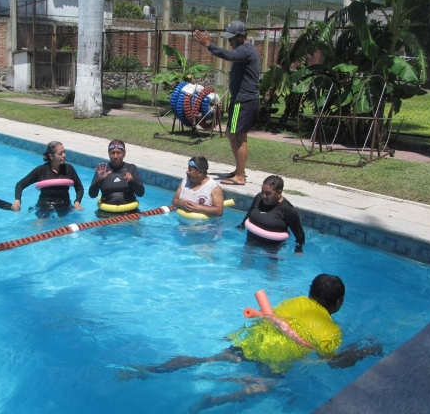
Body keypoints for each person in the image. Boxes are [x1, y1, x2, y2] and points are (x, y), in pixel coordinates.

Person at [119, 274, 382, 413]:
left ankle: (151, 369)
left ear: (310, 292)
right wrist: (364, 351)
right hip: (275, 359)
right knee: (264, 387)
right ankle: (213, 400)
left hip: (252, 342)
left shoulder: (294, 302)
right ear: (338, 303)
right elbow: (335, 363)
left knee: (207, 359)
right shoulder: (332, 330)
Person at [194, 20, 260, 187]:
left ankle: (239, 176)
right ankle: (240, 170)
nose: (230, 42)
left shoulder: (245, 49)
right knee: (231, 133)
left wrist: (209, 44)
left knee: (239, 136)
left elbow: (229, 56)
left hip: (244, 100)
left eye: (232, 38)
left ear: (241, 36)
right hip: (239, 99)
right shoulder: (242, 48)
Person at [12, 141, 84, 218]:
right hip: (44, 206)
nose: (64, 155)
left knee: (63, 228)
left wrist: (77, 202)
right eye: (60, 153)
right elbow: (20, 184)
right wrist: (17, 200)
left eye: (64, 152)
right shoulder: (41, 170)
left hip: (64, 205)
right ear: (51, 156)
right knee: (39, 226)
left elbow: (79, 188)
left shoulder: (69, 169)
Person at [237, 175, 305, 253]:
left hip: (273, 246)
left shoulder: (288, 210)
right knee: (245, 263)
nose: (263, 196)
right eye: (262, 191)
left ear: (279, 192)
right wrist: (242, 226)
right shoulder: (259, 197)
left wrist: (298, 249)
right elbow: (249, 214)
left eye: (268, 193)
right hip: (251, 239)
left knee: (270, 265)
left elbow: (299, 234)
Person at [88, 140, 145, 216]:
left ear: (124, 153)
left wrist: (132, 181)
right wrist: (99, 180)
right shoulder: (102, 170)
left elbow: (141, 193)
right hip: (106, 213)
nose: (115, 156)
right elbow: (92, 195)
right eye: (112, 153)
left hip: (130, 212)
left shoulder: (131, 168)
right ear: (108, 154)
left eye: (119, 153)